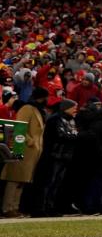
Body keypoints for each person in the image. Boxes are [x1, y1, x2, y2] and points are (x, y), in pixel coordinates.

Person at [2, 87, 48, 218]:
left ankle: (15, 207)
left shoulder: (38, 110)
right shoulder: (27, 108)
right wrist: (30, 141)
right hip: (21, 147)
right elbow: (19, 126)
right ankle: (7, 208)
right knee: (14, 179)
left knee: (23, 180)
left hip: (32, 151)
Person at [39, 98, 79, 216]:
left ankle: (51, 207)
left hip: (65, 156)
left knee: (57, 183)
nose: (75, 110)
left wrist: (73, 136)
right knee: (49, 182)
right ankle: (42, 207)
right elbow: (62, 136)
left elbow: (73, 135)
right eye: (73, 107)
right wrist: (74, 136)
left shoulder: (71, 120)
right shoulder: (55, 119)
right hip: (54, 155)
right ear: (66, 108)